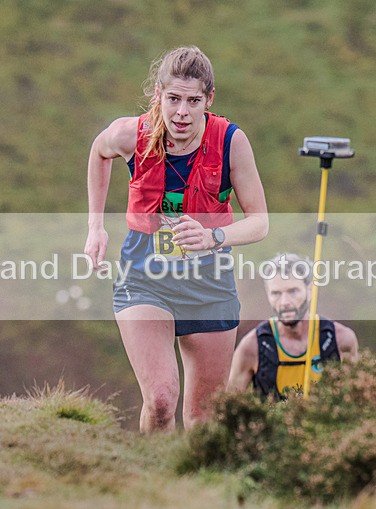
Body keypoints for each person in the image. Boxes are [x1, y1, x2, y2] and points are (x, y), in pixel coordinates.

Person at [84, 46, 268, 431]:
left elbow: (260, 222)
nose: (182, 112)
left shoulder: (232, 142)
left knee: (203, 417)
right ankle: (154, 486)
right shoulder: (129, 134)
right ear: (158, 95)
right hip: (144, 277)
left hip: (209, 281)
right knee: (162, 400)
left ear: (209, 99)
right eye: (173, 99)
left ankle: (191, 487)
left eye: (193, 101)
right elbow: (98, 153)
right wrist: (95, 226)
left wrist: (213, 236)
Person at [228, 253, 358, 399]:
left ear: (310, 291)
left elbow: (357, 400)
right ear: (267, 294)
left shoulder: (341, 339)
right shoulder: (252, 347)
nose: (284, 302)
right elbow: (230, 408)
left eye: (293, 291)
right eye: (276, 293)